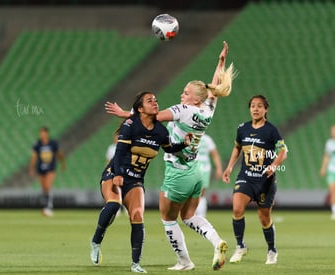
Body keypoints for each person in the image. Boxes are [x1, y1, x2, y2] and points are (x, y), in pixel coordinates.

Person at [105, 41, 236, 271]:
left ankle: (184, 261)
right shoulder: (207, 110)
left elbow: (150, 118)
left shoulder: (182, 110)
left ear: (195, 99)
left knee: (167, 219)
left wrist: (124, 113)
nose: (181, 94)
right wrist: (220, 62)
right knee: (189, 215)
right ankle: (217, 242)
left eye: (185, 93)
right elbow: (213, 89)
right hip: (196, 172)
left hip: (179, 171)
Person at [90, 91, 191, 273]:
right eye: (149, 100)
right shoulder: (130, 124)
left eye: (156, 100)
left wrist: (183, 143)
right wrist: (118, 174)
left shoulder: (161, 130)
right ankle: (96, 241)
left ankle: (136, 264)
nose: (155, 102)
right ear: (140, 108)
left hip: (136, 179)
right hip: (115, 173)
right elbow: (119, 152)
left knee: (137, 215)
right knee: (114, 205)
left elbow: (169, 148)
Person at [222, 95, 288, 265]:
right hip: (245, 177)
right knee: (237, 209)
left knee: (264, 218)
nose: (256, 109)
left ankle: (272, 250)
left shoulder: (272, 130)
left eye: (260, 106)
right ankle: (240, 246)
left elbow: (283, 152)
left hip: (265, 180)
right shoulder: (242, 128)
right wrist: (229, 167)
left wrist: (273, 165)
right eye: (252, 106)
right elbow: (237, 147)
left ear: (266, 109)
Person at [29, 126, 66, 217]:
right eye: (40, 133)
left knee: (48, 186)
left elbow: (59, 154)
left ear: (47, 133)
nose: (42, 135)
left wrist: (63, 163)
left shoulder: (53, 143)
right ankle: (46, 206)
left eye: (43, 133)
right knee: (44, 188)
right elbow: (34, 157)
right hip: (41, 168)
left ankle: (49, 207)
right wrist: (31, 168)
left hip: (50, 168)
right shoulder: (37, 144)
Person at [195, 134, 223, 217]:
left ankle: (201, 215)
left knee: (202, 193)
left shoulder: (207, 139)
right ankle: (192, 215)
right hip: (192, 168)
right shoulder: (189, 137)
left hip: (204, 168)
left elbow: (215, 154)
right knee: (191, 192)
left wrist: (219, 168)